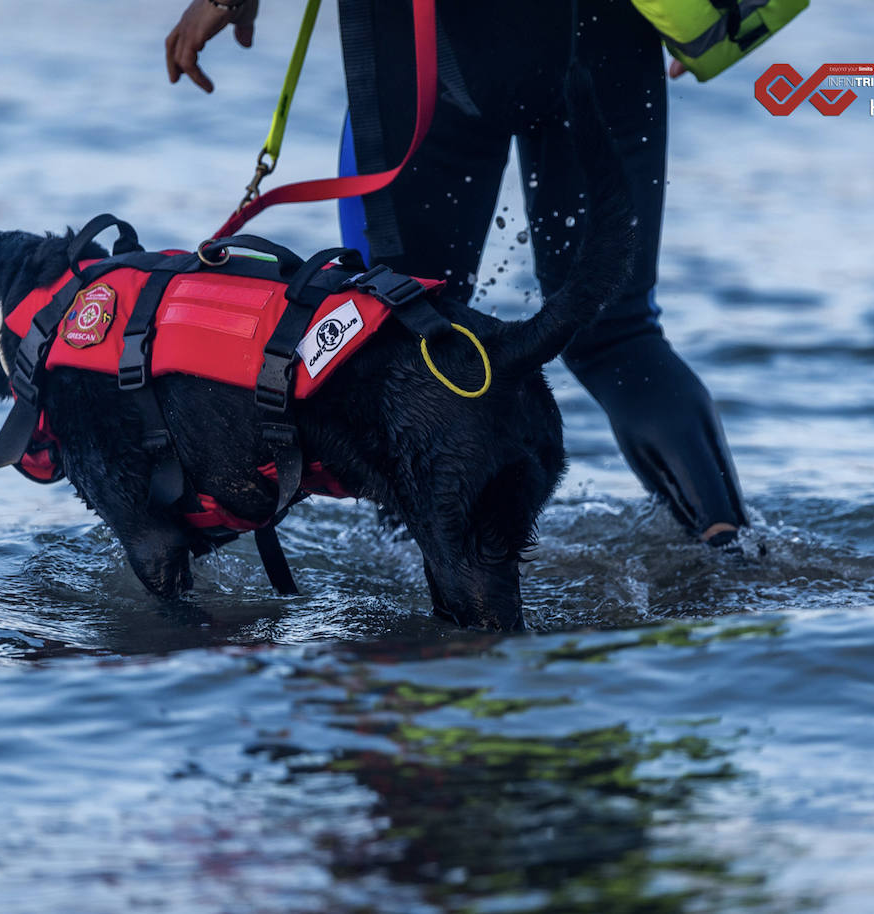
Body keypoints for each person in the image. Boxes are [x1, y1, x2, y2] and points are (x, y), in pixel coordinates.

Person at [165, 0, 748, 547]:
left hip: (430, 33)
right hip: (603, 24)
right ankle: (731, 557)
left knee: (398, 336)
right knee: (619, 336)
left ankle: (424, 596)